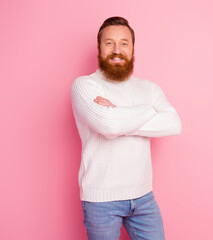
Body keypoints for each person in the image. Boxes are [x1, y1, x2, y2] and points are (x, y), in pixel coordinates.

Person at [71, 16, 181, 240]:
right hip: (101, 201)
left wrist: (119, 112)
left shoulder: (149, 88)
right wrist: (150, 110)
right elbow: (109, 125)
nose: (116, 49)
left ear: (132, 49)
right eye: (109, 42)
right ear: (99, 48)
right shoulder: (84, 85)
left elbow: (173, 124)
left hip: (144, 198)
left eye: (124, 43)